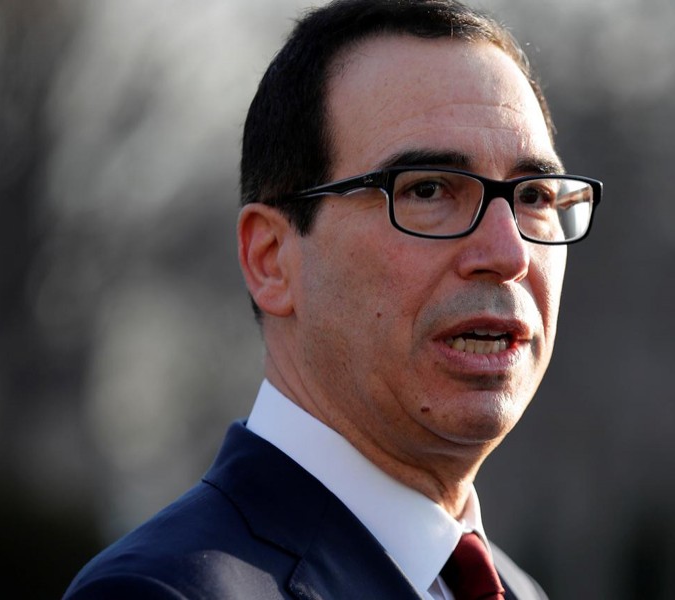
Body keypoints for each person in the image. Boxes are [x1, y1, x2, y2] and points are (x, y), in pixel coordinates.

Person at [64, 0, 602, 598]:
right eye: (427, 189)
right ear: (271, 259)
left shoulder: (517, 591)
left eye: (534, 196)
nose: (509, 253)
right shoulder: (160, 592)